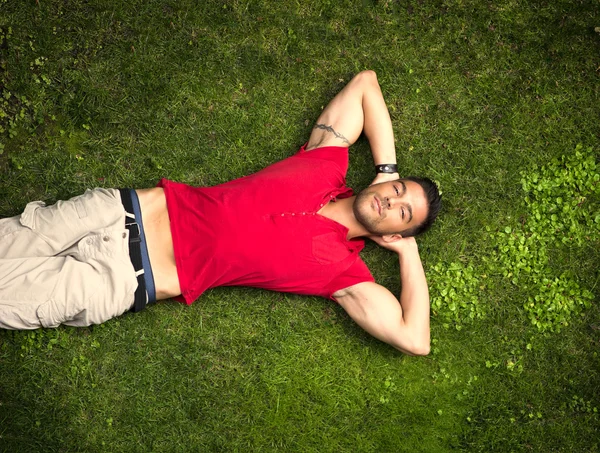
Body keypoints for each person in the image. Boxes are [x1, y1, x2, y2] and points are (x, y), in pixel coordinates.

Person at [0, 71, 440, 355]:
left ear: (397, 232)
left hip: (119, 280)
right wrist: (388, 169)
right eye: (397, 191)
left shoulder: (344, 275)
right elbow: (366, 84)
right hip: (116, 212)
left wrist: (408, 255)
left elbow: (414, 339)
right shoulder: (327, 160)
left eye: (402, 213)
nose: (390, 201)